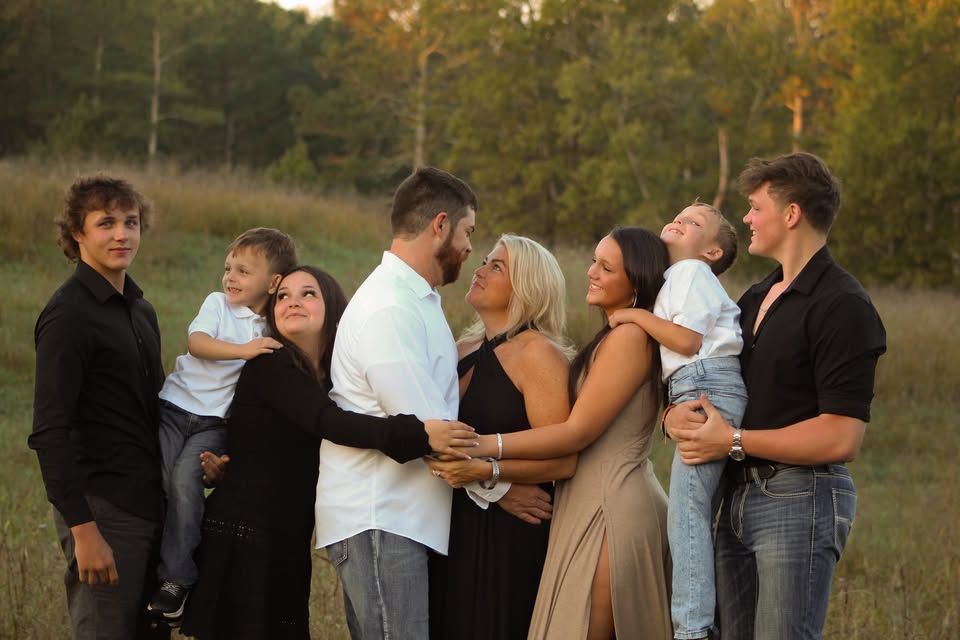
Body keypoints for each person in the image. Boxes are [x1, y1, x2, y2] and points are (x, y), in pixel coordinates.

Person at [178, 266, 477, 640]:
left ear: (332, 306)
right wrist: (420, 433)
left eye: (308, 293)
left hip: (287, 534)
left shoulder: (332, 378)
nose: (292, 302)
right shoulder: (271, 363)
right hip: (244, 531)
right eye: (282, 296)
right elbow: (328, 422)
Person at [666, 152, 887, 640]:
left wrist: (733, 441)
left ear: (791, 214)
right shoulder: (752, 297)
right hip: (737, 500)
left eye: (755, 207)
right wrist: (671, 417)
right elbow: (714, 378)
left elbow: (842, 437)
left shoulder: (843, 305)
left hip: (800, 498)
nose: (746, 218)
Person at [455, 226, 674, 639]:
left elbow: (574, 433)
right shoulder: (615, 335)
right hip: (589, 499)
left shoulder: (630, 336)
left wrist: (482, 449)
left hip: (612, 503)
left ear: (636, 282)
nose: (591, 272)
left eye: (606, 267)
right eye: (594, 261)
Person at [315, 166, 494, 640]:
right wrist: (503, 488)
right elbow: (431, 434)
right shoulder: (390, 306)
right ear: (440, 225)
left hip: (400, 519)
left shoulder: (416, 299)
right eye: (468, 231)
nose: (469, 247)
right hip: (382, 517)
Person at [29, 175, 169, 639]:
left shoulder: (141, 310)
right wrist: (83, 530)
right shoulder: (68, 315)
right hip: (103, 510)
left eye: (131, 222)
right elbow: (49, 431)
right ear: (77, 232)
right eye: (106, 223)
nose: (122, 234)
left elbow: (149, 411)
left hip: (151, 505)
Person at [608, 202, 746, 640]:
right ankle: (706, 622)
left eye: (695, 222)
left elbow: (686, 341)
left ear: (711, 252)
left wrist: (635, 316)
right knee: (695, 513)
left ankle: (692, 629)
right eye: (680, 215)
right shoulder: (678, 278)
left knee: (686, 514)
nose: (680, 220)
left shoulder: (691, 272)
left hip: (706, 385)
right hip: (701, 386)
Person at [427, 234, 577, 639]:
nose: (479, 270)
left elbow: (564, 459)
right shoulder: (460, 349)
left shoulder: (538, 354)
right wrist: (493, 487)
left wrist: (493, 474)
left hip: (510, 535)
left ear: (527, 286)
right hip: (451, 522)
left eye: (497, 267)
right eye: (484, 261)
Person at [147, 227, 298, 621]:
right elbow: (197, 344)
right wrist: (244, 351)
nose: (230, 277)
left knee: (185, 483)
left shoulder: (273, 329)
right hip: (175, 408)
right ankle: (149, 565)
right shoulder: (217, 305)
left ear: (273, 283)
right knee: (157, 479)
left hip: (213, 424)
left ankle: (177, 579)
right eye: (228, 268)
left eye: (243, 271)